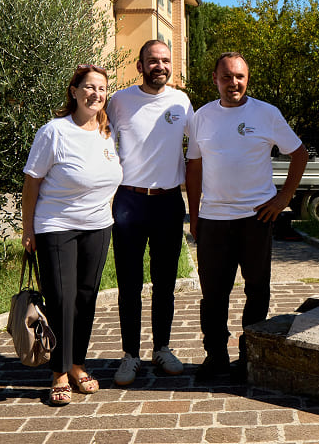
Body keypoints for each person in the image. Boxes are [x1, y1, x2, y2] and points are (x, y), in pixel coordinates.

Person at [186, 51, 309, 382]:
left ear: (247, 78)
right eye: (226, 77)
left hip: (257, 218)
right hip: (213, 219)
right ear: (215, 79)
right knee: (214, 292)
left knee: (257, 289)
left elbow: (299, 154)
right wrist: (194, 215)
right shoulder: (201, 116)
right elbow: (194, 165)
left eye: (239, 76)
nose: (233, 83)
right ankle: (216, 355)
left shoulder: (266, 114)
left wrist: (283, 198)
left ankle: (250, 353)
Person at [22, 64, 123, 406]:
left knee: (85, 298)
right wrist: (28, 229)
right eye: (89, 87)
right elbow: (32, 182)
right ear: (75, 91)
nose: (96, 94)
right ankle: (59, 372)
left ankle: (78, 364)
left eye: (102, 89)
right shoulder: (54, 131)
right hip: (56, 226)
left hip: (98, 226)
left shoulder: (107, 132)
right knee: (62, 300)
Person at [107, 40, 193, 386]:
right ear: (140, 65)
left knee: (165, 283)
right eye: (152, 61)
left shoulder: (181, 101)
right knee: (129, 284)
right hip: (129, 202)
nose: (160, 65)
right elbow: (99, 139)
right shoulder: (120, 101)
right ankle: (130, 355)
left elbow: (203, 147)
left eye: (165, 60)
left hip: (169, 202)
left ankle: (162, 348)